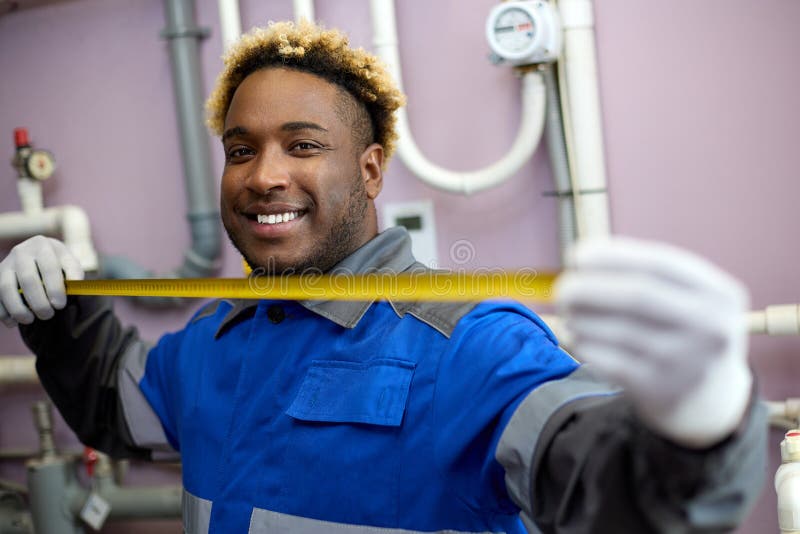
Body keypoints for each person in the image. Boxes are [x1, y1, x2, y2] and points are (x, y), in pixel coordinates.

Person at [0, 20, 765, 534]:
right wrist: (58, 313)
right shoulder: (213, 335)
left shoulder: (472, 343)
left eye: (302, 145)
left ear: (369, 170)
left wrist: (697, 428)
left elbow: (603, 478)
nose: (264, 175)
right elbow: (115, 408)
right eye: (241, 149)